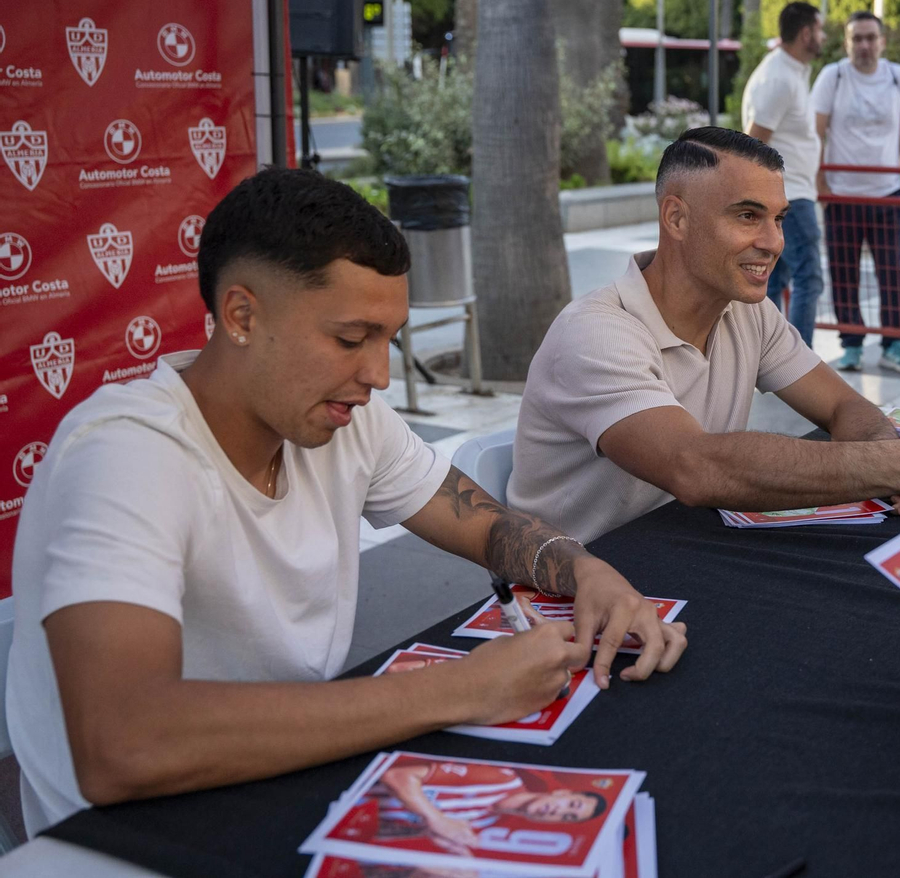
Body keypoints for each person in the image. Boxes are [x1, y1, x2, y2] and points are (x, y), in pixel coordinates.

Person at [4, 169, 686, 835]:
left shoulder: (346, 418)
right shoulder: (125, 453)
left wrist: (581, 567)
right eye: (350, 340)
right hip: (124, 835)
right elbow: (122, 744)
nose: (378, 376)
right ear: (241, 315)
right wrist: (460, 689)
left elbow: (483, 525)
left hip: (287, 778)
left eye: (390, 340)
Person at [508, 127, 900, 542]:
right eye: (748, 216)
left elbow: (843, 407)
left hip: (686, 554)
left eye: (779, 218)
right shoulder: (596, 334)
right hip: (567, 600)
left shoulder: (745, 312)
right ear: (676, 218)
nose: (774, 241)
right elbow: (697, 467)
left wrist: (889, 460)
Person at [814, 10, 900, 375]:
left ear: (882, 42)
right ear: (847, 43)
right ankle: (851, 345)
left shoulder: (898, 77)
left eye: (870, 37)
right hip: (842, 197)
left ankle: (894, 344)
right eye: (856, 38)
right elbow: (815, 133)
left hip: (886, 194)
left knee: (891, 271)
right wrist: (822, 187)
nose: (864, 45)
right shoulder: (834, 76)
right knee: (844, 273)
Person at [743, 1, 826, 346]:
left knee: (776, 280)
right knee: (809, 277)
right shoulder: (780, 77)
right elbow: (754, 141)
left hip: (791, 194)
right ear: (806, 33)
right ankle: (798, 363)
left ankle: (769, 359)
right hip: (789, 196)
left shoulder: (789, 72)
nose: (824, 37)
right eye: (820, 30)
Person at [376, 759, 603, 851]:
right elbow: (397, 776)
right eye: (571, 804)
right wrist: (436, 820)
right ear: (561, 792)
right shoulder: (500, 778)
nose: (561, 811)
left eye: (567, 817)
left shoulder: (486, 822)